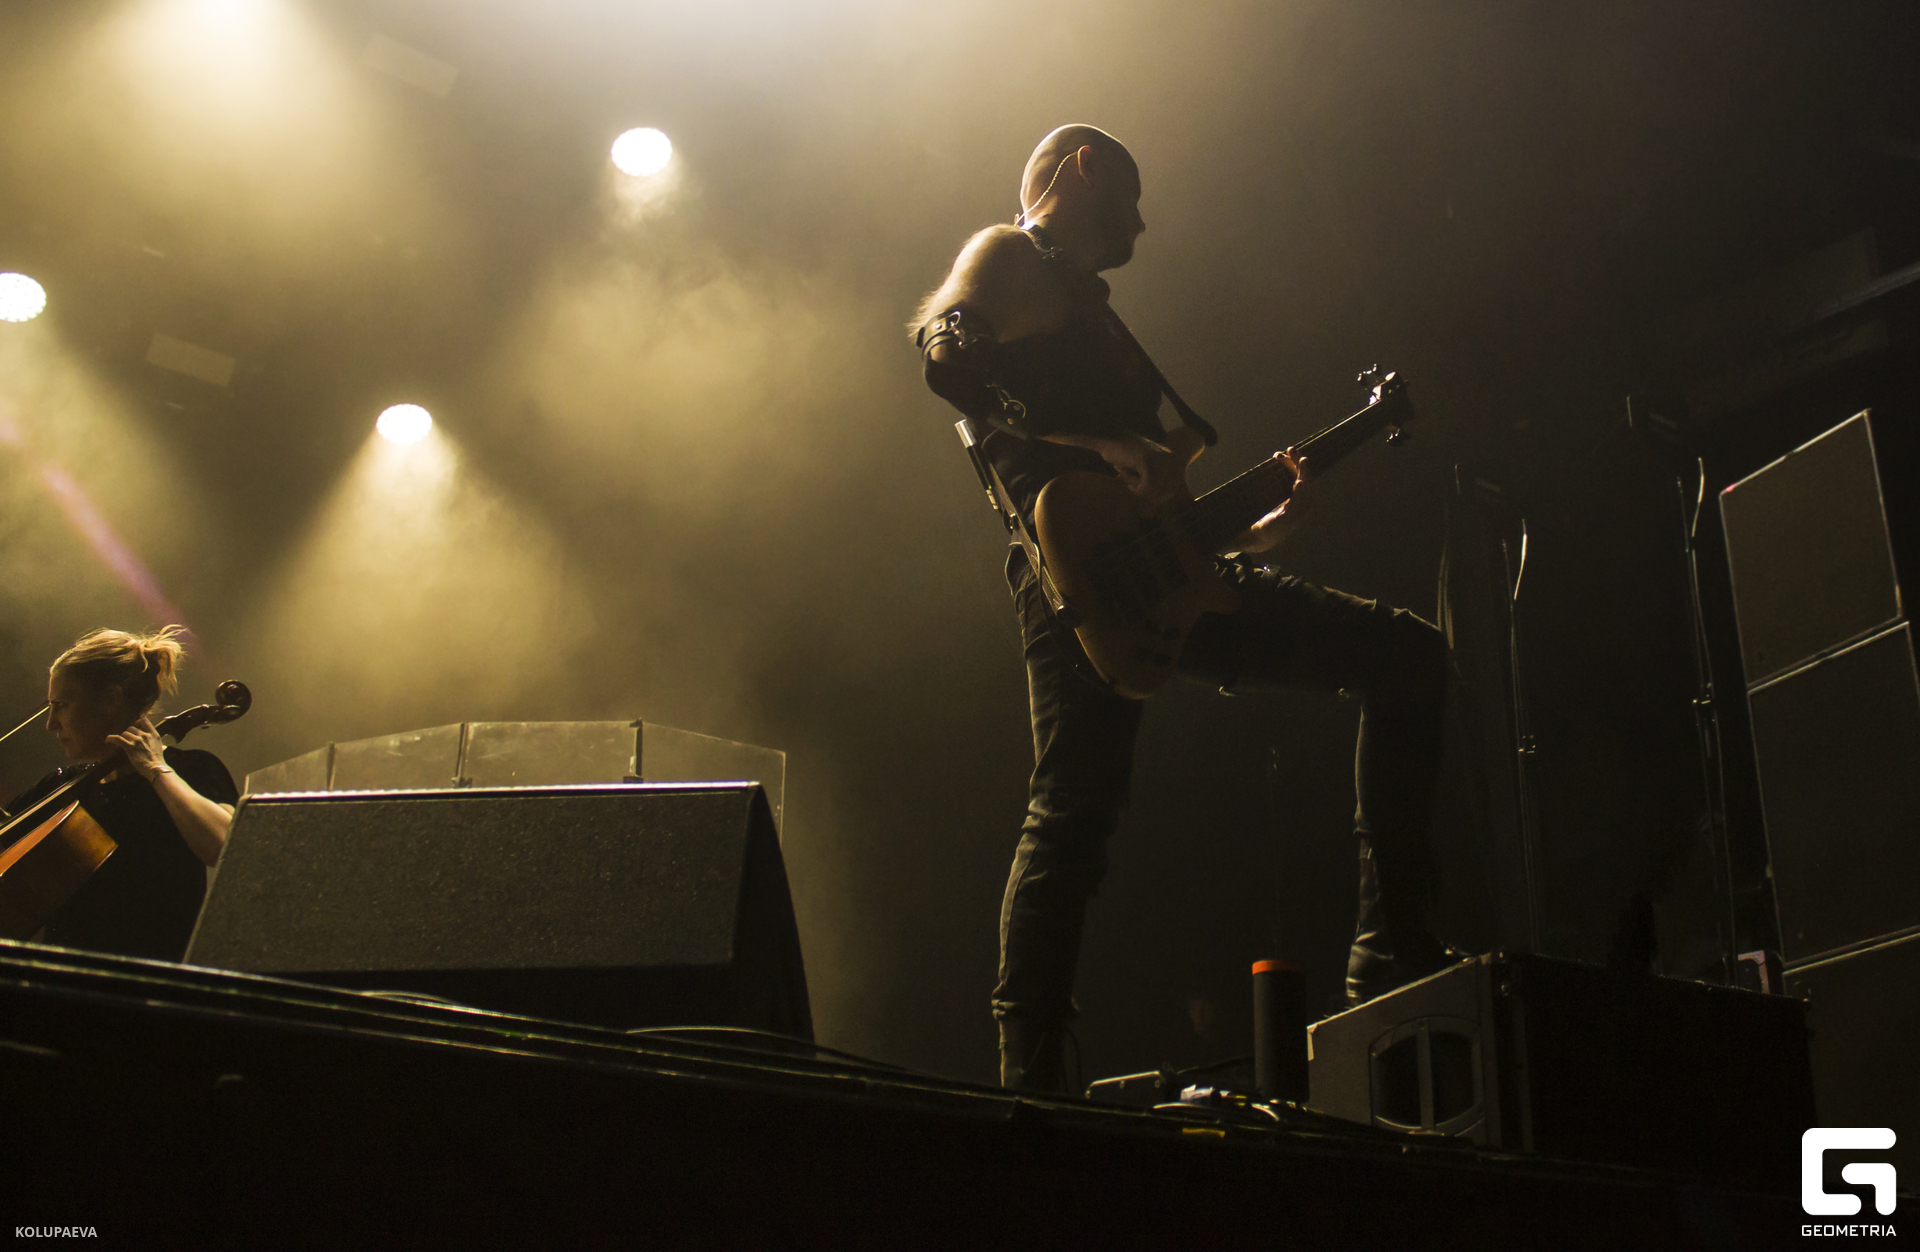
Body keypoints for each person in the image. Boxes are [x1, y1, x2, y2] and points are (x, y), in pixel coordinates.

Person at [912, 125, 1457, 1090]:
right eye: (1129, 197)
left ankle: (1391, 954)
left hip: (1168, 569)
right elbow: (949, 358)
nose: (1141, 224)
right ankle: (1029, 1078)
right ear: (1083, 169)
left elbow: (1155, 498)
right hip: (1077, 575)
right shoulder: (1009, 253)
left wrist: (1255, 536)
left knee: (1405, 657)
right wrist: (1099, 444)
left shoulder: (1090, 311)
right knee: (1073, 810)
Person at [2, 626, 238, 962]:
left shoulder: (191, 769)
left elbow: (226, 848)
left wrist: (156, 769)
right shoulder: (62, 786)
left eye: (62, 705)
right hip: (59, 979)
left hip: (154, 982)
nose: (51, 723)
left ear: (111, 699)